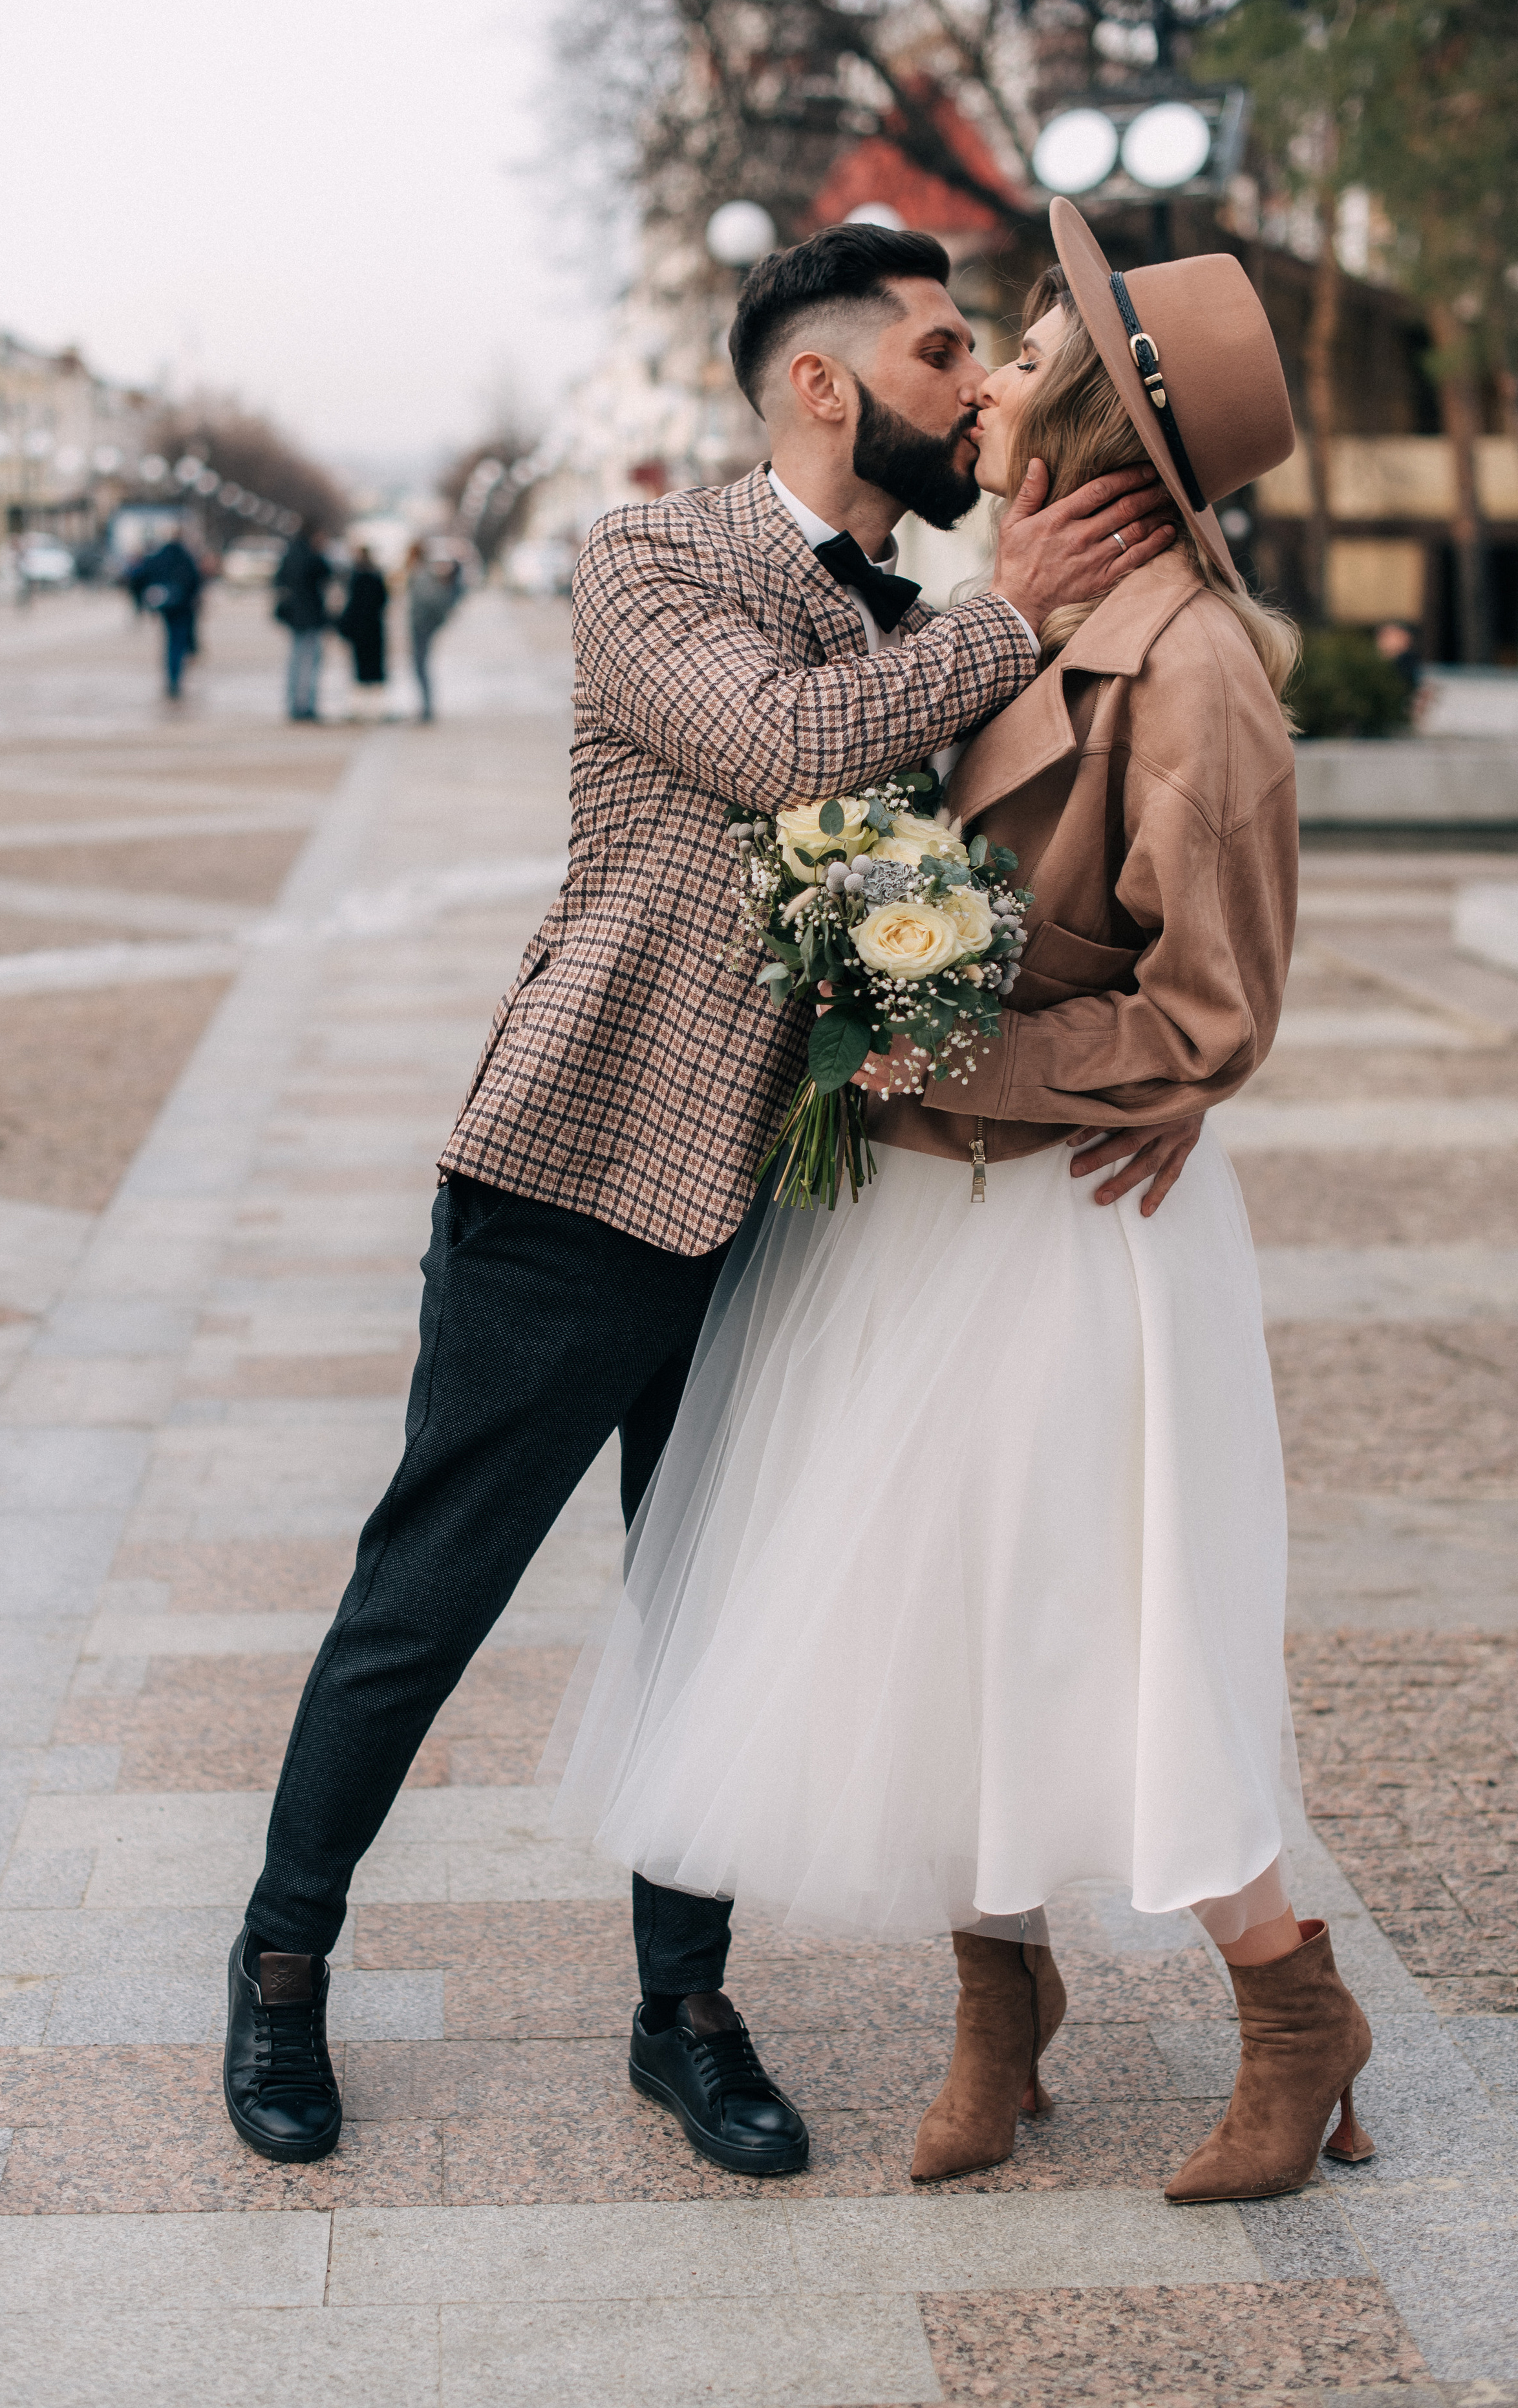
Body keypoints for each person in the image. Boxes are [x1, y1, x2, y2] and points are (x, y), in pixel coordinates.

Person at [220, 220, 1179, 2176]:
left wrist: (1150, 1070)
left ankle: (684, 2009)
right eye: (939, 351)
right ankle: (280, 1962)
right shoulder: (652, 558)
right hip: (578, 1175)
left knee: (706, 1607)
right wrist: (1011, 611)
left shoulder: (923, 612)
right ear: (819, 383)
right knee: (427, 1592)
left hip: (793, 1205)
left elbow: (1009, 880)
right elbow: (786, 747)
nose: (969, 389)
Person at [552, 202, 1378, 2209]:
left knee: (1108, 1622)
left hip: (1072, 1220)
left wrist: (946, 1056)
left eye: (1021, 355)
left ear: (1096, 422)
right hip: (931, 1217)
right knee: (946, 1619)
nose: (985, 380)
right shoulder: (1003, 614)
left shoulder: (1193, 668)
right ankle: (998, 2008)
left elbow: (1209, 1014)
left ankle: (1295, 2012)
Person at [127, 527, 203, 700]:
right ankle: (175, 678)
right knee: (178, 642)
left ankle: (172, 678)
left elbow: (141, 577)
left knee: (171, 642)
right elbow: (195, 581)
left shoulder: (159, 557)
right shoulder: (185, 557)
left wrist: (145, 602)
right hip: (183, 608)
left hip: (167, 608)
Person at [273, 520, 334, 721]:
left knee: (296, 660)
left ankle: (294, 703)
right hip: (309, 616)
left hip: (295, 616)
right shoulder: (311, 555)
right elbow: (327, 573)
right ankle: (304, 705)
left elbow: (279, 580)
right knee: (309, 661)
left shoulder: (291, 553)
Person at [405, 540, 463, 721]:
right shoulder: (424, 573)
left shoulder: (421, 575)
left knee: (420, 665)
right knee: (420, 665)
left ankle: (427, 708)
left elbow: (428, 600)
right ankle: (426, 706)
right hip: (423, 625)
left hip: (422, 626)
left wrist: (423, 620)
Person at [337, 542, 390, 719]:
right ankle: (376, 709)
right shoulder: (376, 576)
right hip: (374, 629)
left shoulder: (356, 576)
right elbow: (383, 600)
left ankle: (360, 709)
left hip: (360, 630)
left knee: (360, 671)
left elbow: (352, 604)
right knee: (375, 671)